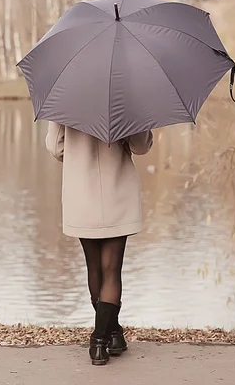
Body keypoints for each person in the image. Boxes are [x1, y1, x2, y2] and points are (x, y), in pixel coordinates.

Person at [45, 122, 153, 366]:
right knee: (112, 270)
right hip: (118, 189)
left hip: (81, 189)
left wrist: (77, 154)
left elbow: (55, 147)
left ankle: (110, 337)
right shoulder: (127, 93)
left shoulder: (66, 94)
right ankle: (101, 339)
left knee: (94, 268)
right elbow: (141, 146)